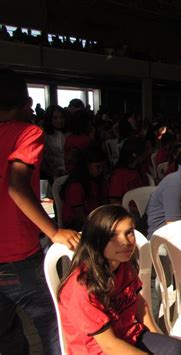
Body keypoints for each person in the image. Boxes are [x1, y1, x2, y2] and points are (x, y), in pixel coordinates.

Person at [0, 69, 80, 355]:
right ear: (26, 103)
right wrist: (54, 231)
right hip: (18, 255)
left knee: (6, 334)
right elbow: (17, 187)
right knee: (52, 327)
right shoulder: (27, 132)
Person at [58, 205, 181, 354]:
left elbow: (139, 302)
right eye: (113, 235)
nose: (126, 242)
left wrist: (156, 334)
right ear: (97, 239)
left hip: (130, 335)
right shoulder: (81, 288)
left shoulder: (122, 264)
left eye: (129, 232)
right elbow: (110, 346)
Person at [62, 147, 108, 230]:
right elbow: (79, 215)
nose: (101, 170)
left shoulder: (100, 179)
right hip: (76, 223)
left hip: (95, 217)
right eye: (98, 167)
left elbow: (104, 201)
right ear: (87, 165)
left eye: (103, 167)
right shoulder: (76, 185)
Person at [108, 137, 149, 204]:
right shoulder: (118, 175)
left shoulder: (139, 168)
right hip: (129, 211)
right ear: (135, 154)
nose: (147, 153)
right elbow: (114, 202)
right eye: (145, 150)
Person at [40, 105, 67, 180]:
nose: (60, 120)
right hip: (52, 173)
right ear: (49, 119)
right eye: (55, 118)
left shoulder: (68, 133)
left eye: (62, 117)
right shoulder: (44, 135)